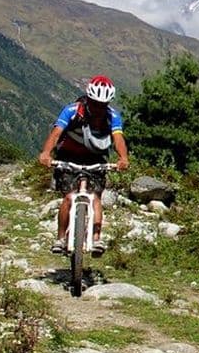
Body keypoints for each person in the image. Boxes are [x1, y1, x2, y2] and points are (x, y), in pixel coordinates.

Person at [38, 75, 130, 257]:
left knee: (95, 197)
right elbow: (56, 133)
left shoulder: (113, 117)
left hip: (96, 159)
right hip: (68, 157)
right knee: (69, 197)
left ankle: (96, 239)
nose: (98, 109)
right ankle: (60, 238)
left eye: (103, 105)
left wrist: (123, 157)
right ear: (88, 99)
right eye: (95, 103)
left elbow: (118, 138)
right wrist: (46, 153)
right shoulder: (72, 111)